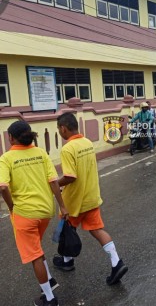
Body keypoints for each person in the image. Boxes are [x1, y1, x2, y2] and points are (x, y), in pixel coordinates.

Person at [53, 112, 128, 285]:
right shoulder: (87, 142)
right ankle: (116, 262)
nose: (59, 132)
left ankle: (67, 261)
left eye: (58, 129)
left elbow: (70, 176)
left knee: (67, 230)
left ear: (63, 129)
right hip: (91, 196)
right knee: (97, 230)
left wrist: (56, 183)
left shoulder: (67, 149)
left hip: (74, 200)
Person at [0, 121, 69, 306]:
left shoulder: (6, 158)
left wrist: (12, 206)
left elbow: (3, 186)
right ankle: (50, 280)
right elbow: (54, 182)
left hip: (25, 214)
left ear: (11, 138)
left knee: (34, 255)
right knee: (36, 248)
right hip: (46, 211)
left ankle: (49, 298)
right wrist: (62, 206)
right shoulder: (41, 153)